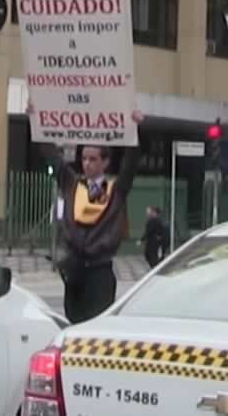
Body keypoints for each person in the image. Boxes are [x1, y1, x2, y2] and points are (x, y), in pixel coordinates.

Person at [30, 102, 144, 324]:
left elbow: (130, 165)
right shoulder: (73, 185)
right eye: (84, 158)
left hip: (100, 272)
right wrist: (35, 120)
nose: (87, 164)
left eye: (93, 159)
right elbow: (52, 156)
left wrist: (135, 129)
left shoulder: (115, 191)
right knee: (73, 324)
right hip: (74, 271)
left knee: (97, 328)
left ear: (105, 162)